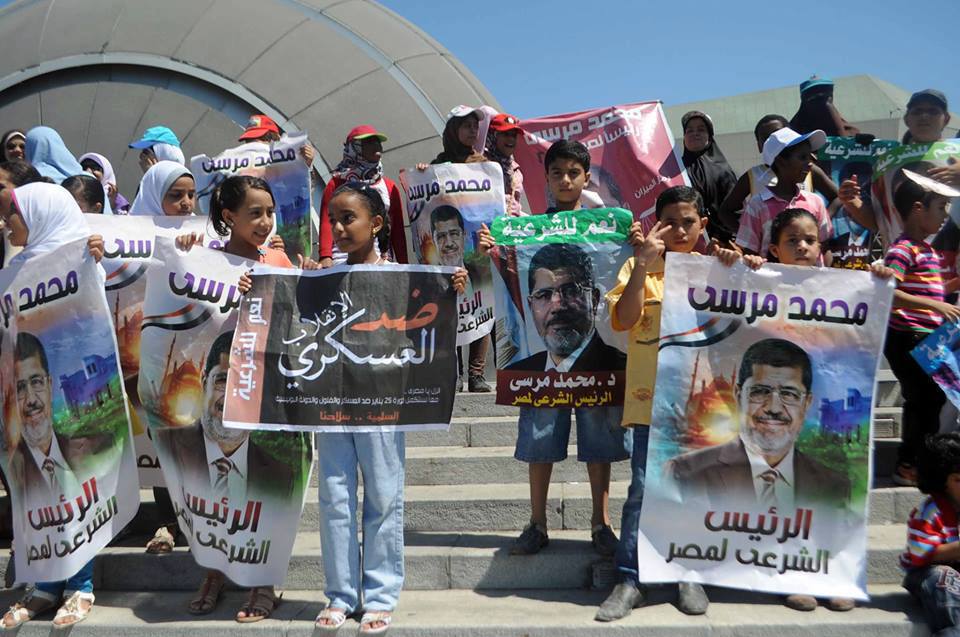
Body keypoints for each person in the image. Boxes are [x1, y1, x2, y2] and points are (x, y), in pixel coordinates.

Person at [595, 185, 763, 621]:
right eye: (670, 223)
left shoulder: (720, 269)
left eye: (689, 222)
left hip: (707, 407)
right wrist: (642, 266)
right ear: (656, 226)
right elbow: (623, 320)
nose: (681, 231)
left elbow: (756, 320)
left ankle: (690, 574)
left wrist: (748, 269)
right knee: (642, 491)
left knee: (696, 492)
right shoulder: (638, 266)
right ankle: (630, 579)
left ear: (703, 224)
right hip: (652, 403)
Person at [308, 183, 466, 635]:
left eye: (348, 219)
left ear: (376, 224)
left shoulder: (405, 277)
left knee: (382, 495)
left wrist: (451, 289)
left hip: (382, 406)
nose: (338, 229)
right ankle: (340, 595)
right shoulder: (322, 277)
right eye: (332, 220)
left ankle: (379, 596)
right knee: (334, 497)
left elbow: (428, 328)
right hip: (332, 404)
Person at [477, 139, 631, 558]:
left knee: (599, 443)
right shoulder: (525, 231)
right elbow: (503, 275)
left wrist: (633, 241)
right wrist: (488, 250)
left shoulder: (610, 227)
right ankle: (537, 523)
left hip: (597, 372)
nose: (565, 180)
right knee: (539, 440)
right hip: (542, 382)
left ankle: (602, 523)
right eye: (557, 173)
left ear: (586, 178)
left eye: (573, 173)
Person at [174, 175, 307, 621]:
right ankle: (214, 572)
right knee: (218, 492)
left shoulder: (279, 260)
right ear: (229, 216)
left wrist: (306, 277)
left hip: (268, 395)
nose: (266, 222)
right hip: (219, 394)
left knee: (260, 490)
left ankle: (264, 582)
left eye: (270, 213)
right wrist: (186, 253)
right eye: (255, 213)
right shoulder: (205, 262)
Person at [0, 182, 104, 629]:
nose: (6, 223)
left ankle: (81, 585)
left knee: (73, 490)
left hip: (68, 405)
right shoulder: (14, 270)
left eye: (14, 214)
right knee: (37, 495)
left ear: (40, 215)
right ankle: (45, 586)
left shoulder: (81, 259)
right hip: (25, 407)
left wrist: (92, 262)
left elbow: (91, 324)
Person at [883, 171, 960, 487]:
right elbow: (888, 290)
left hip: (926, 339)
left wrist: (949, 290)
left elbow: (928, 288)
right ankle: (908, 465)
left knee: (931, 400)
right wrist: (937, 307)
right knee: (922, 400)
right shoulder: (903, 249)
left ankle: (918, 463)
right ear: (918, 209)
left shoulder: (925, 249)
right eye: (940, 207)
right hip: (907, 337)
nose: (945, 215)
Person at [421, 106, 490, 392]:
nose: (473, 131)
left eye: (476, 126)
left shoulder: (484, 165)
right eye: (466, 126)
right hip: (447, 256)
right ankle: (455, 372)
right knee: (451, 310)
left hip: (476, 252)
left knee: (481, 307)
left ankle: (476, 373)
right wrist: (423, 174)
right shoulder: (439, 164)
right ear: (453, 130)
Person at [505, 242, 626, 372]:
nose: (557, 306)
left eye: (570, 291)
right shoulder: (515, 374)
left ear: (594, 300)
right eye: (544, 295)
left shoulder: (624, 370)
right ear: (531, 306)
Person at [717, 114, 838, 231]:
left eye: (779, 134)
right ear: (759, 145)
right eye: (766, 138)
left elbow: (837, 197)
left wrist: (822, 221)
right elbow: (725, 212)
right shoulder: (753, 177)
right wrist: (747, 234)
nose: (772, 140)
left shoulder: (809, 172)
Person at [736, 127, 839, 257]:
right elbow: (748, 252)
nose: (810, 163)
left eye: (810, 156)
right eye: (803, 157)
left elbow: (824, 247)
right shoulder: (757, 206)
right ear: (780, 161)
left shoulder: (815, 202)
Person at [317, 125, 406, 267]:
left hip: (380, 260)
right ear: (354, 148)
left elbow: (397, 231)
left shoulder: (389, 186)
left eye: (378, 142)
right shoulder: (336, 183)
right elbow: (327, 222)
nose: (377, 146)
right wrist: (325, 256)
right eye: (369, 142)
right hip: (340, 261)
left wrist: (404, 264)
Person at [901, 432, 960, 636]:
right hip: (927, 573)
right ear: (941, 482)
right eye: (959, 480)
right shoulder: (930, 511)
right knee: (942, 578)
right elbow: (921, 555)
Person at [680, 111, 738, 243]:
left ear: (710, 136)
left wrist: (721, 238)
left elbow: (734, 210)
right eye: (689, 131)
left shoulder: (723, 170)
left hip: (719, 243)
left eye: (701, 129)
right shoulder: (674, 170)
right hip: (682, 240)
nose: (695, 133)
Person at [789, 76, 860, 138]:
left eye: (826, 94)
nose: (821, 100)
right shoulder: (793, 135)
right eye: (814, 96)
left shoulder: (851, 134)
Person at [483, 112, 525, 216]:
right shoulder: (482, 164)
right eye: (505, 134)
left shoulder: (516, 171)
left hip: (513, 224)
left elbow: (515, 204)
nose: (511, 139)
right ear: (493, 136)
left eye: (514, 135)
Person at [129, 161, 195, 216]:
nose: (187, 202)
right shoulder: (130, 227)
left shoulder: (197, 225)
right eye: (176, 195)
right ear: (154, 196)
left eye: (191, 195)